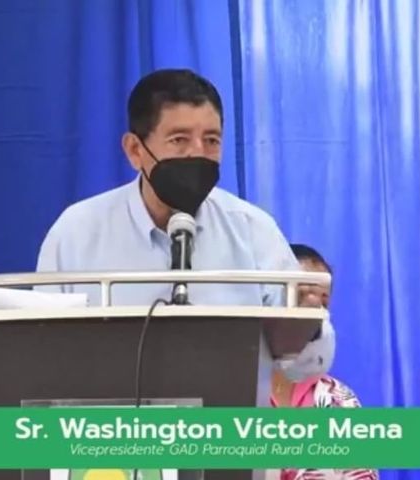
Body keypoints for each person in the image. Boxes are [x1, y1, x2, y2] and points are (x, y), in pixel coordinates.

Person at [35, 68, 333, 378]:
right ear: (135, 150)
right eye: (179, 139)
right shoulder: (76, 233)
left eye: (211, 140)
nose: (197, 154)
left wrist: (308, 324)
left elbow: (304, 369)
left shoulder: (253, 230)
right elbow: (41, 355)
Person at [271, 244, 378, 480]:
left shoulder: (338, 400)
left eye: (323, 303)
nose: (315, 313)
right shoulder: (236, 395)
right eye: (301, 297)